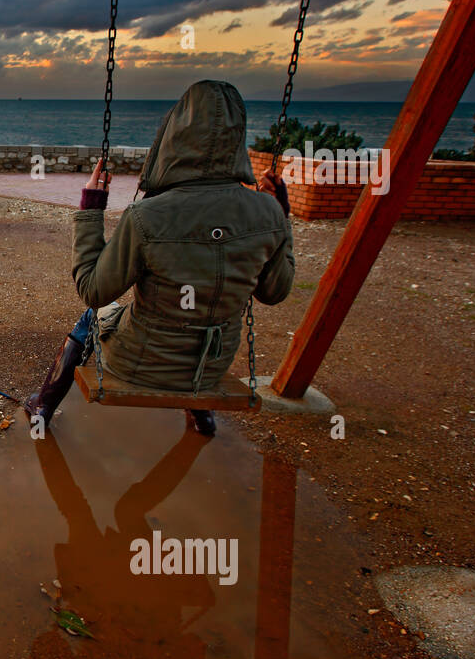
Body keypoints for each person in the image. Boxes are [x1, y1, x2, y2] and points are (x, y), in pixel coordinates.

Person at [24, 79, 294, 437]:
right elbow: (274, 292)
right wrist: (281, 218)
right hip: (210, 368)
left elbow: (93, 290)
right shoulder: (268, 213)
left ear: (174, 137)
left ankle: (42, 406)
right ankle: (202, 417)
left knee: (91, 316)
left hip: (139, 365)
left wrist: (91, 208)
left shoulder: (146, 216)